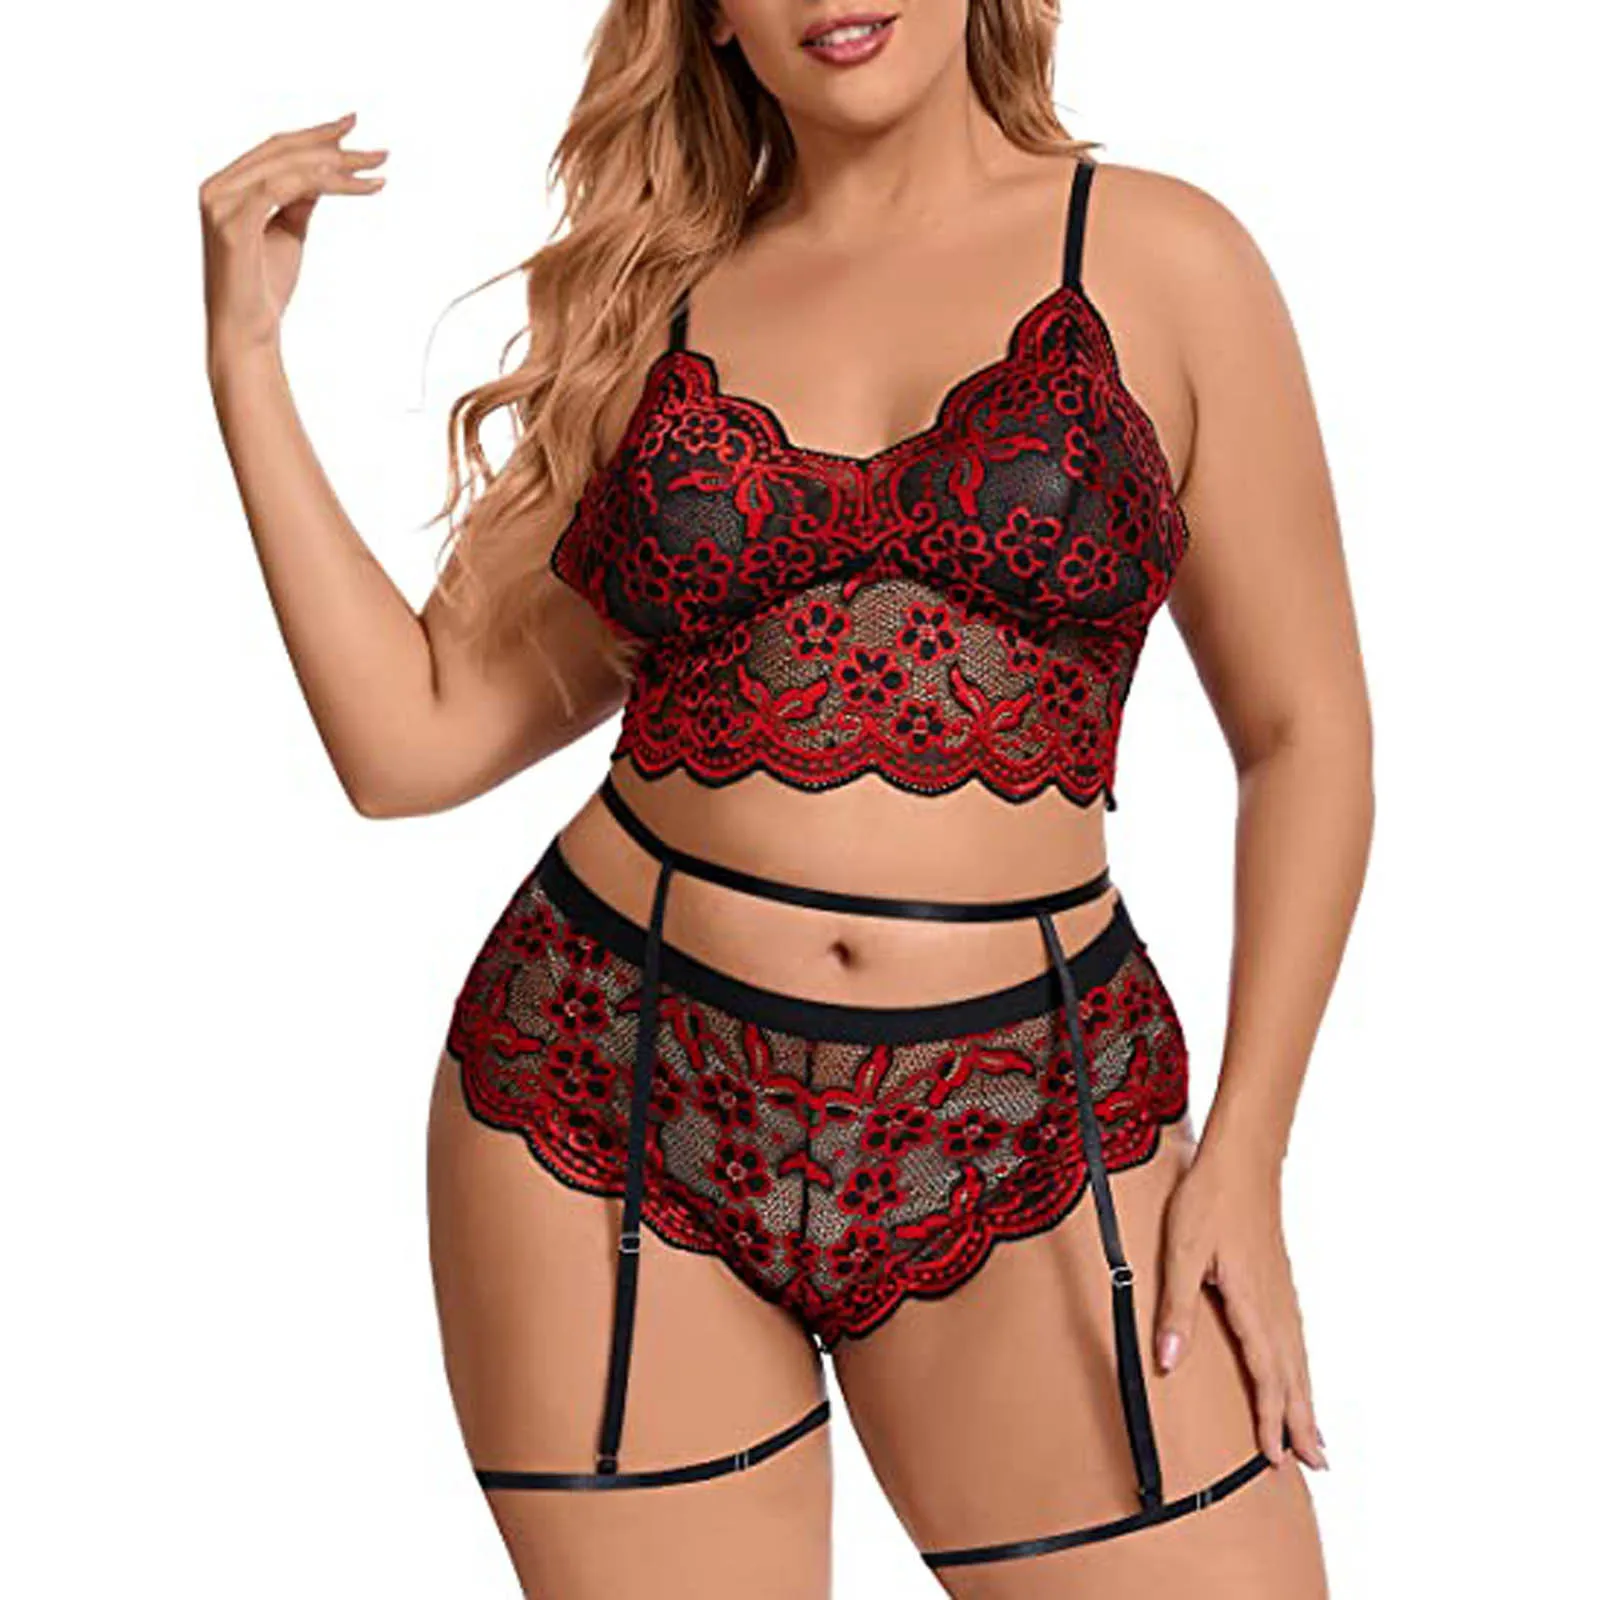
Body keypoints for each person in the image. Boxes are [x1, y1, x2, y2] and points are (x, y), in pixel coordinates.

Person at [201, 2, 1371, 1594]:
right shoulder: (654, 301)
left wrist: (1246, 1156)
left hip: (1025, 1116)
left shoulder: (1164, 258)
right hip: (609, 1090)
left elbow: (1306, 735)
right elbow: (411, 740)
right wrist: (247, 359)